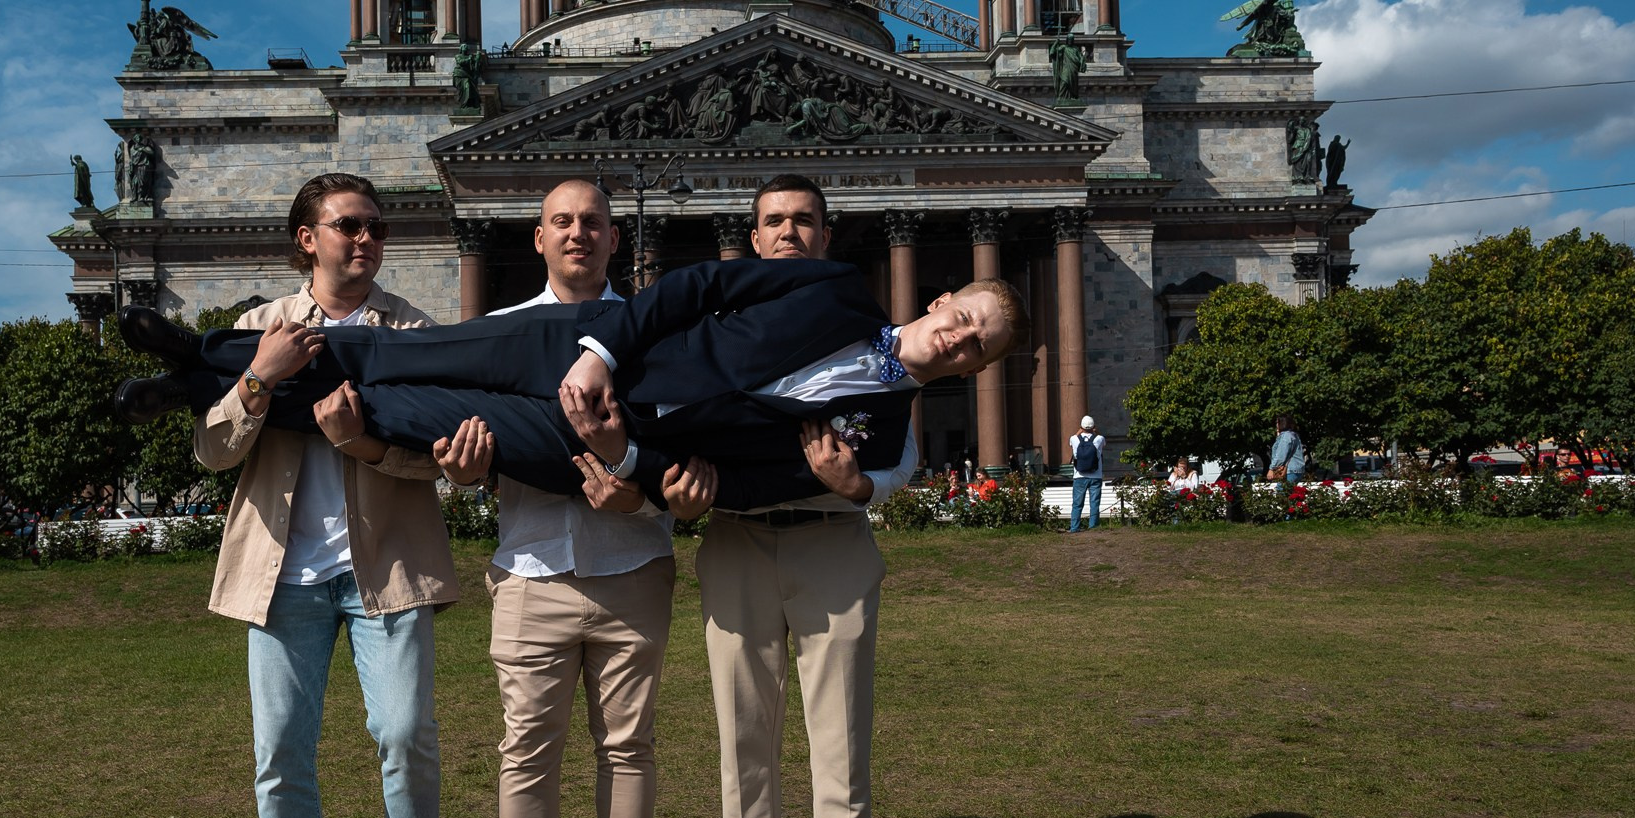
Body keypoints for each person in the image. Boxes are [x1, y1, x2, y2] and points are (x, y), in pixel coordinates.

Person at [117, 256, 1021, 516]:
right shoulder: (831, 283)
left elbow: (744, 487)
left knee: (395, 409)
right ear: (941, 297)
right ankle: (202, 359)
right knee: (392, 354)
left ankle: (198, 379)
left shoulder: (886, 443)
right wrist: (598, 348)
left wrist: (628, 456)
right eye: (965, 315)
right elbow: (688, 291)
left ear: (975, 369)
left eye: (976, 346)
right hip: (575, 349)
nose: (961, 337)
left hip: (599, 450)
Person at [184, 171, 460, 818]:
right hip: (281, 575)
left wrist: (365, 443)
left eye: (376, 226)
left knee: (405, 730)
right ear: (308, 238)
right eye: (350, 226)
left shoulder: (412, 331)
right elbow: (212, 451)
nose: (367, 239)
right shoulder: (254, 329)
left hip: (388, 567)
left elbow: (437, 454)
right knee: (279, 754)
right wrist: (260, 376)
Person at [457, 179, 714, 818]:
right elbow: (471, 448)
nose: (577, 234)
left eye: (592, 223)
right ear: (536, 238)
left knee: (628, 750)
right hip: (531, 570)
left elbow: (677, 462)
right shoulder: (496, 336)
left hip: (632, 567)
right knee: (526, 754)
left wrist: (635, 492)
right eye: (561, 222)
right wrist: (460, 473)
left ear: (615, 239)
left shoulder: (657, 338)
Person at [678, 174, 920, 818]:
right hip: (738, 541)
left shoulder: (871, 333)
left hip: (832, 543)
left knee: (839, 747)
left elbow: (905, 452)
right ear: (749, 239)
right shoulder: (717, 331)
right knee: (743, 743)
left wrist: (863, 485)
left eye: (804, 221)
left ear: (828, 234)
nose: (788, 233)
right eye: (773, 222)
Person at [1068, 416, 1105, 532]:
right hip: (1096, 476)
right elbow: (1104, 442)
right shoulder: (1099, 439)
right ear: (1093, 427)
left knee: (1077, 504)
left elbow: (1073, 440)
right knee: (1094, 503)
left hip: (1079, 476)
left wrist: (1080, 430)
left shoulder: (1074, 439)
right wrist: (1095, 431)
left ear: (1081, 427)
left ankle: (1074, 527)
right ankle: (1093, 527)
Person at [1267, 414, 1307, 488]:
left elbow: (1281, 455)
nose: (1276, 425)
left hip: (1289, 470)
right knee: (1287, 493)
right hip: (1294, 470)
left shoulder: (1286, 436)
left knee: (1282, 494)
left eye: (1277, 422)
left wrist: (1272, 468)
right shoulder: (1293, 435)